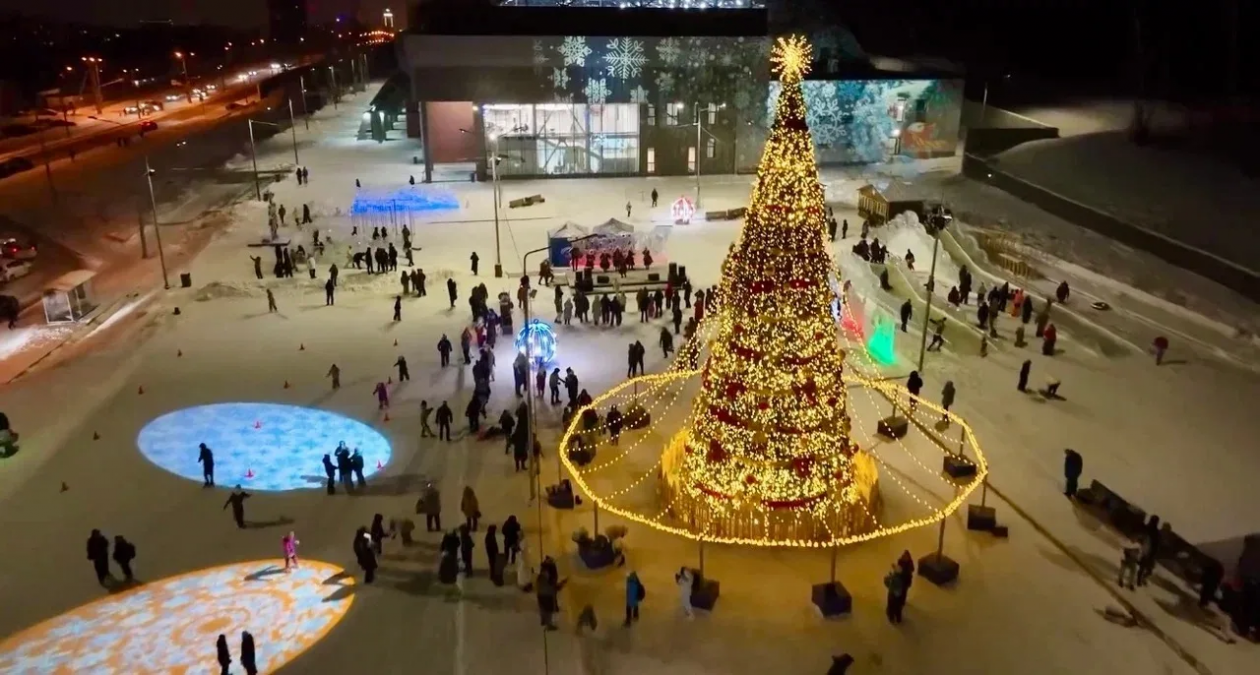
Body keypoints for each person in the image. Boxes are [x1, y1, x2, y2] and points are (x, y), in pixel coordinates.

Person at [1136, 515, 1161, 586]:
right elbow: (1156, 543)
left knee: (1145, 568)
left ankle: (1141, 579)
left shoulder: (1147, 528)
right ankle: (1140, 580)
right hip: (1148, 551)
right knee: (1146, 568)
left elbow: (1140, 536)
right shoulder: (1155, 531)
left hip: (1146, 550)